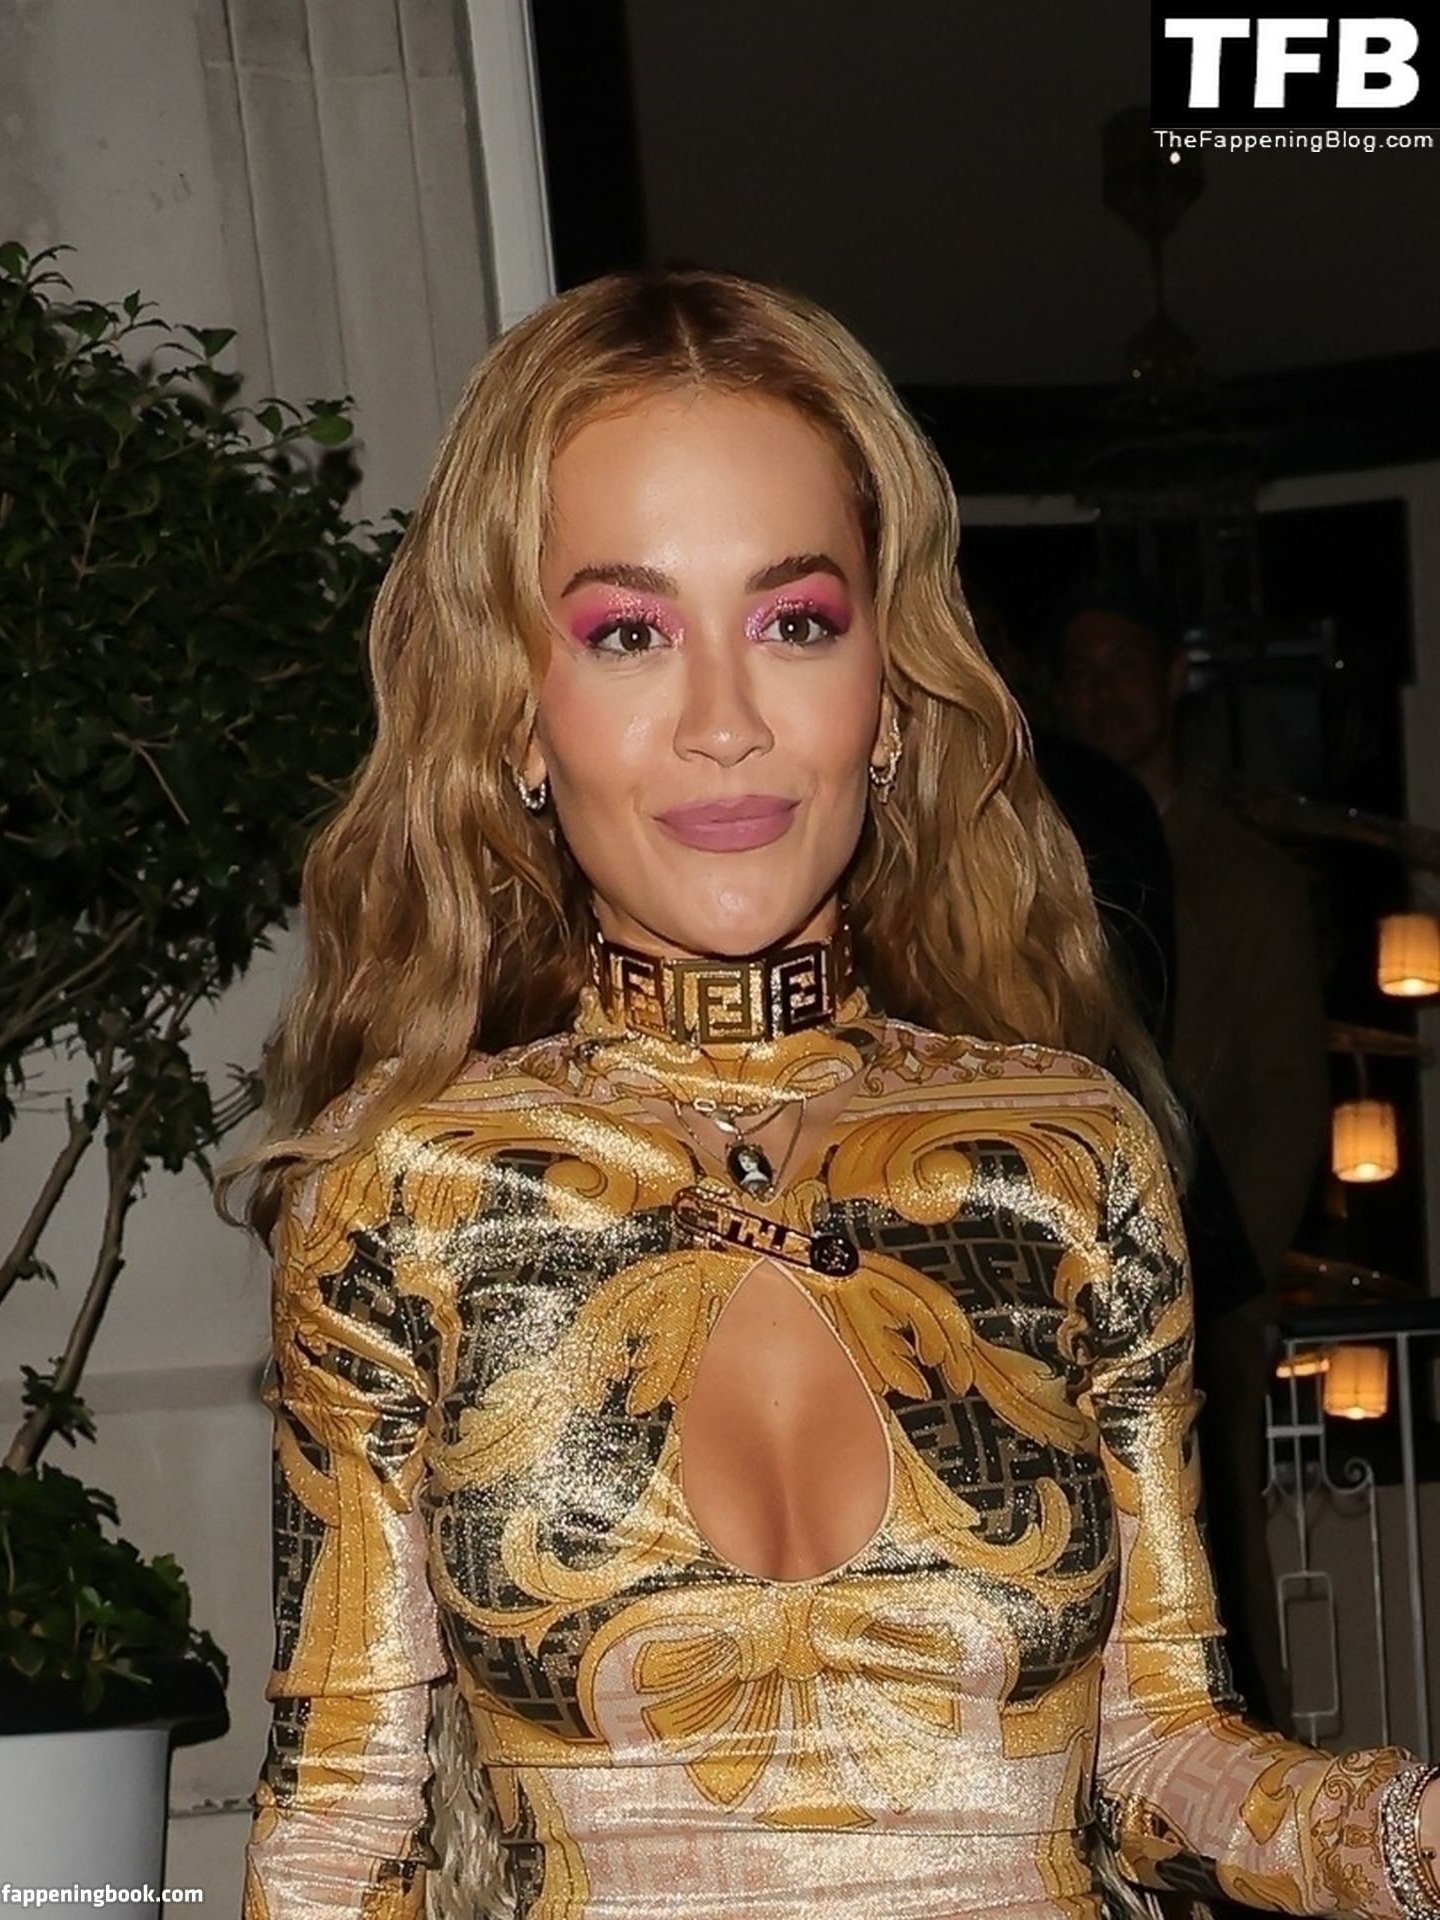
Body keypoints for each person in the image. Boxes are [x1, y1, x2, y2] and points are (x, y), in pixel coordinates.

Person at [228, 269, 1439, 1920]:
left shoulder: (1061, 1156)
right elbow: (334, 1838)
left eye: (793, 622)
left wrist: (1401, 1833)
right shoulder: (406, 1191)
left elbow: (1158, 1757)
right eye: (629, 633)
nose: (725, 724)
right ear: (517, 715)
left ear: (886, 693)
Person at [1056, 580, 1332, 1735]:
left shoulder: (1247, 875)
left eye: (1124, 663)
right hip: (1074, 1277)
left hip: (1204, 1270)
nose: (1102, 690)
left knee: (1213, 1570)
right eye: (1081, 670)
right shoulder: (1048, 860)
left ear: (1173, 678)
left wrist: (1220, 1275)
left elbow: (1286, 1092)